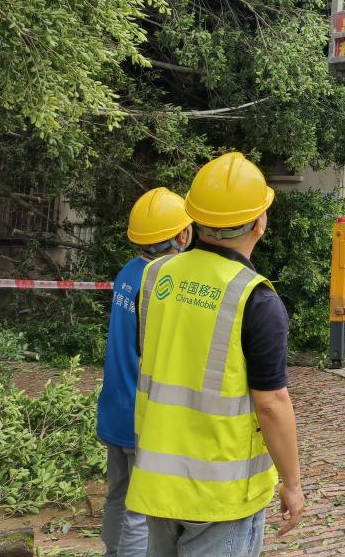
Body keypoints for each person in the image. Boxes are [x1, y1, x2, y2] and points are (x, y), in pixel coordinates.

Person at [125, 152, 304, 556]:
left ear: (193, 220)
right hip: (219, 495)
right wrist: (292, 484)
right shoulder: (255, 299)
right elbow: (272, 403)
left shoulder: (154, 277)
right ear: (259, 223)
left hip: (157, 481)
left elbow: (154, 357)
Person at [97, 188, 193, 557]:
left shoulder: (128, 271)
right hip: (141, 414)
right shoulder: (163, 281)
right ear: (181, 235)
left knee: (117, 495)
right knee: (141, 511)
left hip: (114, 406)